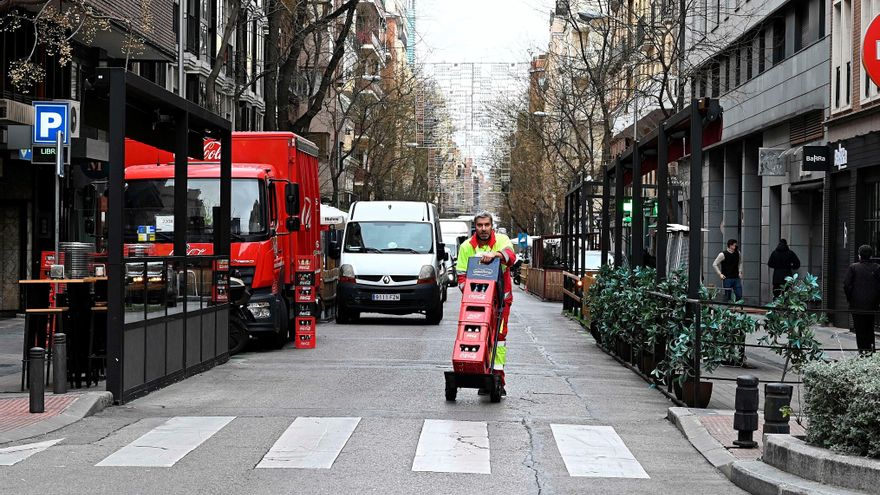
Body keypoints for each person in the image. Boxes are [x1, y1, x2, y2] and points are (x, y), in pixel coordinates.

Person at [456, 211, 517, 396]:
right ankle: (481, 375)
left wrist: (495, 255)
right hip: (476, 303)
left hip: (500, 302)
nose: (483, 229)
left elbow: (511, 256)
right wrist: (472, 291)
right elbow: (461, 276)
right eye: (480, 225)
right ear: (476, 226)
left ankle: (498, 378)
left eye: (486, 225)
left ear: (492, 226)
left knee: (498, 340)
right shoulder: (467, 247)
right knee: (477, 338)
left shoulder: (502, 240)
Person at [843, 245, 880, 354]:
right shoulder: (877, 267)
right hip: (872, 304)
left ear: (859, 255)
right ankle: (871, 350)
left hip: (857, 304)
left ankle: (862, 351)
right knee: (870, 328)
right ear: (871, 255)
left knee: (859, 329)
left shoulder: (853, 268)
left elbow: (846, 285)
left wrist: (851, 298)